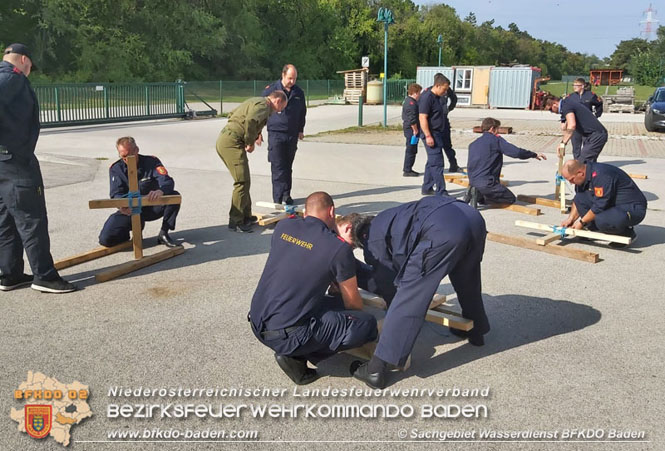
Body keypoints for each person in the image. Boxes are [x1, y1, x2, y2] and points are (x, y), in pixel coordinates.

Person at [336, 196, 490, 389]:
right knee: (468, 278)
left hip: (443, 228)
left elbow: (392, 289)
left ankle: (376, 369)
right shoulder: (389, 219)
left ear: (349, 227)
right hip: (471, 217)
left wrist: (352, 271)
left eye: (339, 234)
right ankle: (476, 331)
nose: (343, 244)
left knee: (411, 293)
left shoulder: (373, 238)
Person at [249, 192, 378, 385]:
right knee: (366, 324)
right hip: (287, 335)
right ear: (332, 211)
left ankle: (295, 348)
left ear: (306, 210)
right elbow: (353, 304)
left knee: (330, 304)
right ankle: (296, 356)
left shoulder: (284, 226)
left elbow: (300, 263)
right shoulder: (337, 249)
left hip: (257, 321)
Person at [0, 43, 76, 293]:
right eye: (30, 65)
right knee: (31, 218)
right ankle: (44, 276)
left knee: (6, 219)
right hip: (15, 163)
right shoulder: (12, 78)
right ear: (23, 60)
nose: (30, 70)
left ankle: (10, 274)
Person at [216, 91, 287, 232]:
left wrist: (256, 134)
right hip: (232, 142)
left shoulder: (256, 101)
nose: (279, 111)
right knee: (241, 182)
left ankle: (246, 216)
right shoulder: (265, 106)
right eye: (282, 108)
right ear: (278, 101)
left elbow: (233, 114)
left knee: (245, 180)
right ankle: (236, 221)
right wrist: (250, 141)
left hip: (227, 139)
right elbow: (250, 120)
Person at [98, 137, 179, 248]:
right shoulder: (116, 168)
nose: (126, 159)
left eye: (129, 155)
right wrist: (121, 206)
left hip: (150, 206)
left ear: (136, 150)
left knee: (174, 196)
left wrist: (161, 191)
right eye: (123, 156)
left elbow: (167, 181)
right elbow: (115, 194)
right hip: (130, 210)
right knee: (105, 240)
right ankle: (129, 234)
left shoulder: (151, 162)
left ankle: (163, 233)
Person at [560, 160, 647, 246]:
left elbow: (599, 205)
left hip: (632, 208)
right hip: (612, 204)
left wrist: (582, 222)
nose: (571, 183)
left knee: (602, 220)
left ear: (580, 173)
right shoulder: (583, 176)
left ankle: (626, 233)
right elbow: (578, 198)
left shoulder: (601, 175)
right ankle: (594, 229)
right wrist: (570, 219)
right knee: (581, 198)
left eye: (571, 180)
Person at [465, 118, 546, 205]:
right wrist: (533, 155)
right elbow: (516, 152)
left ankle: (476, 192)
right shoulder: (495, 140)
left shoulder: (473, 144)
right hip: (487, 183)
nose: (498, 132)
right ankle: (479, 198)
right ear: (492, 128)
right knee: (510, 199)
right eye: (498, 129)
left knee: (485, 186)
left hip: (472, 181)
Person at [262, 64, 307, 205]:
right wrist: (257, 132)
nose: (292, 81)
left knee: (288, 166)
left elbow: (302, 112)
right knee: (278, 167)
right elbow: (260, 111)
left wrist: (300, 129)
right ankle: (278, 198)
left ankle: (286, 195)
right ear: (283, 75)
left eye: (294, 79)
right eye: (289, 78)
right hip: (276, 133)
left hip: (292, 134)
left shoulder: (298, 93)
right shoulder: (271, 90)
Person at [545, 97, 607, 163]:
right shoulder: (566, 103)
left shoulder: (566, 106)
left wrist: (563, 143)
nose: (552, 112)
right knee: (588, 165)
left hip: (596, 135)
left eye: (550, 109)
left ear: (555, 104)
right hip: (590, 136)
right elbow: (568, 127)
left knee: (582, 164)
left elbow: (571, 126)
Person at [418, 73, 449, 196]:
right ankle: (441, 191)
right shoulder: (427, 98)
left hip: (438, 133)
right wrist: (428, 135)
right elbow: (422, 117)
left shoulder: (438, 98)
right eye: (444, 89)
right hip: (431, 134)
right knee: (437, 163)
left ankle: (427, 187)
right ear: (437, 85)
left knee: (432, 161)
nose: (445, 92)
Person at [567, 78, 603, 159]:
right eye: (574, 85)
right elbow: (566, 108)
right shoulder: (571, 97)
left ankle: (588, 164)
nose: (574, 87)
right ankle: (577, 163)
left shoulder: (590, 95)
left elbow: (599, 103)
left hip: (587, 127)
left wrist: (596, 115)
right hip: (576, 125)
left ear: (582, 86)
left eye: (577, 85)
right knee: (576, 147)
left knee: (588, 147)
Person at [438, 76, 460, 172]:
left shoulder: (447, 90)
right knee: (438, 147)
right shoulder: (431, 91)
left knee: (447, 145)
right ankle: (438, 167)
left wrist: (449, 108)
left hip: (444, 119)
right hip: (437, 121)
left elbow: (454, 98)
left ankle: (453, 164)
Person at [401, 83, 422, 177]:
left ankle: (408, 168)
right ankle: (407, 169)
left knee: (412, 148)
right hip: (411, 130)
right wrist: (415, 130)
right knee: (411, 149)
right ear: (415, 93)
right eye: (419, 93)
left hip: (409, 128)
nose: (420, 95)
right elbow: (412, 119)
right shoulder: (411, 103)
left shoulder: (409, 101)